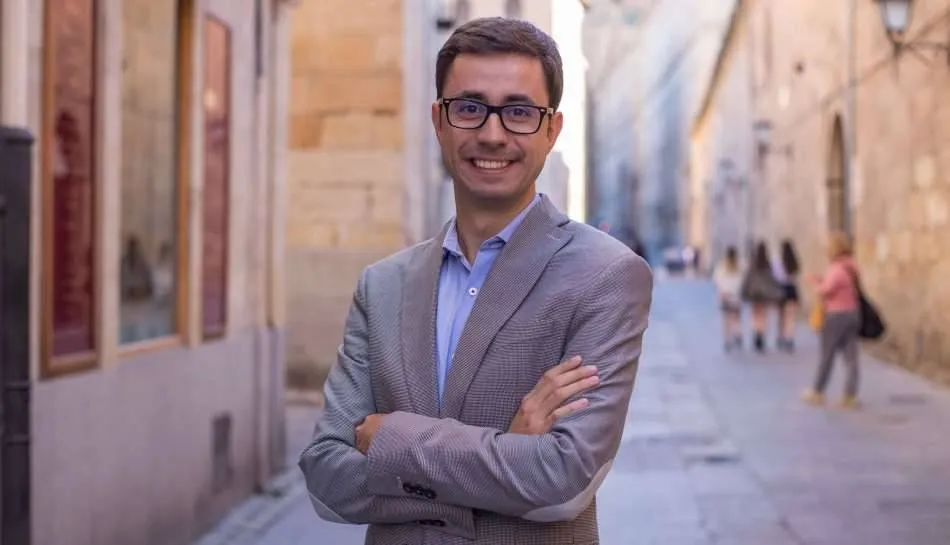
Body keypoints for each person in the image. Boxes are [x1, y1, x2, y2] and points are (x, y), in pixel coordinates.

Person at [298, 17, 653, 545]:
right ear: (439, 121)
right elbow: (327, 477)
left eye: (518, 112)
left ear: (552, 129)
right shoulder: (382, 286)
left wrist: (393, 440)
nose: (492, 134)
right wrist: (504, 454)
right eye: (469, 108)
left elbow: (561, 483)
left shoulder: (606, 275)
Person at [802, 231, 861, 409]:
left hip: (836, 316)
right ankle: (850, 395)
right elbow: (839, 286)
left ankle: (818, 391)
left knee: (826, 355)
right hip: (852, 314)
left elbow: (825, 291)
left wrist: (814, 283)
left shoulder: (836, 268)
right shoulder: (851, 266)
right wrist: (821, 279)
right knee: (851, 357)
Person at [739, 241, 784, 353]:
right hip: (765, 294)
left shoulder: (752, 265)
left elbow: (747, 279)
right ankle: (761, 335)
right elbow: (773, 280)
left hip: (754, 294)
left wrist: (744, 291)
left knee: (756, 315)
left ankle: (757, 334)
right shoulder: (768, 265)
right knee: (764, 316)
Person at [772, 239, 801, 352]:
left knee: (781, 316)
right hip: (792, 290)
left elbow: (776, 277)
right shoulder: (794, 262)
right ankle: (789, 337)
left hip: (780, 290)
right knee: (791, 316)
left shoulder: (778, 262)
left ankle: (781, 336)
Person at [713, 246, 743, 351]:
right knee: (736, 317)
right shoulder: (740, 266)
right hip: (736, 296)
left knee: (726, 319)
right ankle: (737, 332)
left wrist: (721, 290)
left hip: (725, 295)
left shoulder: (722, 266)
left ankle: (727, 339)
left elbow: (717, 280)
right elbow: (742, 281)